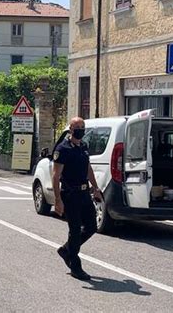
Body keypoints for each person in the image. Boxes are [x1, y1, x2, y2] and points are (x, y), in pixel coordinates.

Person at [52, 117, 103, 281]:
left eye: (83, 126)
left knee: (91, 227)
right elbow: (56, 175)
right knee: (74, 230)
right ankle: (75, 265)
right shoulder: (62, 149)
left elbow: (88, 169)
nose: (81, 129)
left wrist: (95, 188)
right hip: (70, 194)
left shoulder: (84, 146)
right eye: (78, 127)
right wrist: (58, 200)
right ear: (71, 129)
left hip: (84, 193)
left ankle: (67, 249)